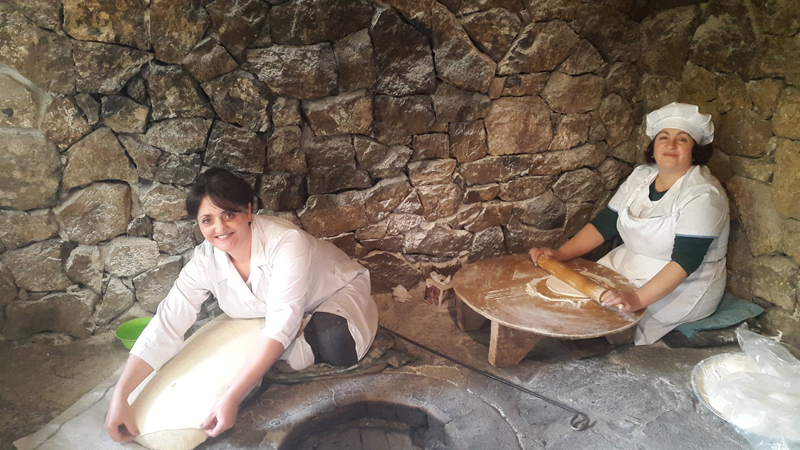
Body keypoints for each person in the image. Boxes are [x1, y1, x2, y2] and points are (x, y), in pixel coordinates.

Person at [104, 168, 378, 441]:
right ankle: (301, 335)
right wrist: (121, 395)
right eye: (207, 220)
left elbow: (281, 322)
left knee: (337, 344)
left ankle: (334, 323)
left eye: (229, 215)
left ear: (248, 211)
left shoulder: (285, 242)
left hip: (335, 291)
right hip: (283, 310)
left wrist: (232, 396)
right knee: (275, 357)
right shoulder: (204, 261)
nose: (220, 228)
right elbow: (167, 322)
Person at [530, 102, 729, 345]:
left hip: (681, 284)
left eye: (682, 139)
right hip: (627, 263)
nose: (671, 145)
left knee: (605, 324)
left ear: (694, 151)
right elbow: (606, 224)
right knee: (571, 304)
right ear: (653, 148)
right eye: (663, 137)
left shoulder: (704, 195)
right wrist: (561, 254)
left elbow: (685, 261)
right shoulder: (641, 176)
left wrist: (636, 299)